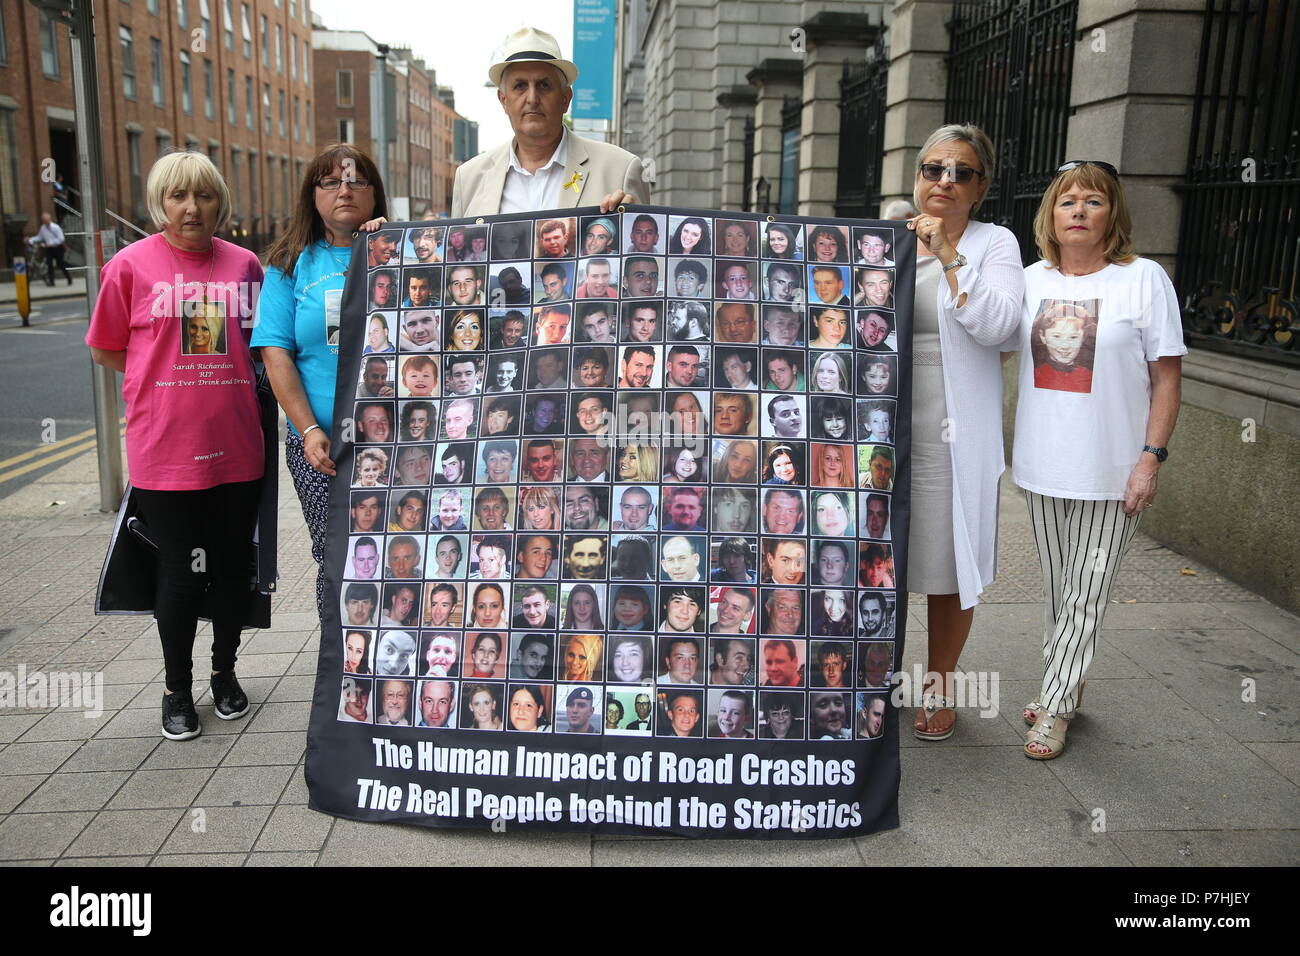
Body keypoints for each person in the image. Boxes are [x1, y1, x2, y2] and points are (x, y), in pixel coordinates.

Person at [88, 150, 266, 741]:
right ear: (159, 204)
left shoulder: (245, 267)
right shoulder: (130, 266)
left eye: (205, 196)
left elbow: (262, 349)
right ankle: (177, 689)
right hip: (165, 450)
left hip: (237, 446)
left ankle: (224, 673)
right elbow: (107, 348)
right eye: (178, 196)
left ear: (221, 203)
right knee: (183, 574)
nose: (192, 208)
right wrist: (156, 378)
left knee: (233, 570)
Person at [1012, 161, 1184, 759]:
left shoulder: (1143, 280)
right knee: (1062, 590)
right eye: (1067, 202)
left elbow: (1166, 378)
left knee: (1088, 589)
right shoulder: (1029, 280)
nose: (1079, 211)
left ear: (1113, 214)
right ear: (1050, 217)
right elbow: (984, 338)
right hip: (1041, 465)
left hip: (1113, 470)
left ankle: (1055, 705)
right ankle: (1068, 680)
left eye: (1093, 201)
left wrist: (1150, 459)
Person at [902, 124, 1025, 743]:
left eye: (962, 172)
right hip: (883, 426)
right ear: (917, 175)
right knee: (878, 555)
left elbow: (1001, 328)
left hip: (955, 429)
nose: (945, 180)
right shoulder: (887, 236)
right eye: (933, 168)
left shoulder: (993, 242)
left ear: (981, 187)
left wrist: (950, 254)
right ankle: (871, 676)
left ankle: (940, 681)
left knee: (951, 560)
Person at [254, 143, 389, 621]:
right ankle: (342, 670)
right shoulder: (289, 265)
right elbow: (276, 354)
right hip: (323, 446)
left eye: (356, 180)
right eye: (331, 181)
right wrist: (308, 431)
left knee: (399, 554)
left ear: (375, 194)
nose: (344, 189)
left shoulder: (406, 251)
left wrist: (393, 243)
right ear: (313, 196)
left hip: (398, 442)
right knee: (335, 556)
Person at [451, 27, 650, 217]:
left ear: (566, 98)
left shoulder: (620, 169)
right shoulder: (469, 179)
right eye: (520, 86)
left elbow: (645, 249)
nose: (532, 98)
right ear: (504, 100)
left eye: (544, 85)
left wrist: (629, 226)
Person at [34, 211, 73, 285]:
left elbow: (61, 239)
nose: (45, 221)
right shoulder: (43, 228)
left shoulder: (55, 227)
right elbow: (39, 237)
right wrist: (30, 240)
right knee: (49, 264)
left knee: (60, 264)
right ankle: (51, 281)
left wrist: (51, 243)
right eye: (43, 219)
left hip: (58, 248)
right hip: (49, 249)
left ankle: (69, 278)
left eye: (46, 219)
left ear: (49, 218)